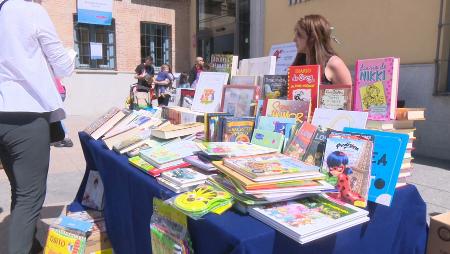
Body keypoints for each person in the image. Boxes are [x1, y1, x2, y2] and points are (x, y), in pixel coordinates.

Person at [0, 0, 76, 253]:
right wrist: (71, 54)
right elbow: (63, 66)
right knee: (30, 196)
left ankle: (29, 243)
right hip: (25, 115)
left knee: (20, 188)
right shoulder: (30, 11)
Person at [292, 14, 352, 85]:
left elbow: (347, 95)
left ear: (312, 38)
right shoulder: (300, 62)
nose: (294, 40)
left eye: (299, 35)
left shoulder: (334, 63)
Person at [52, 78, 74, 147]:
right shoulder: (51, 70)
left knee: (56, 116)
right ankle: (59, 138)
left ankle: (65, 138)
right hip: (61, 92)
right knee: (54, 115)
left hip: (56, 93)